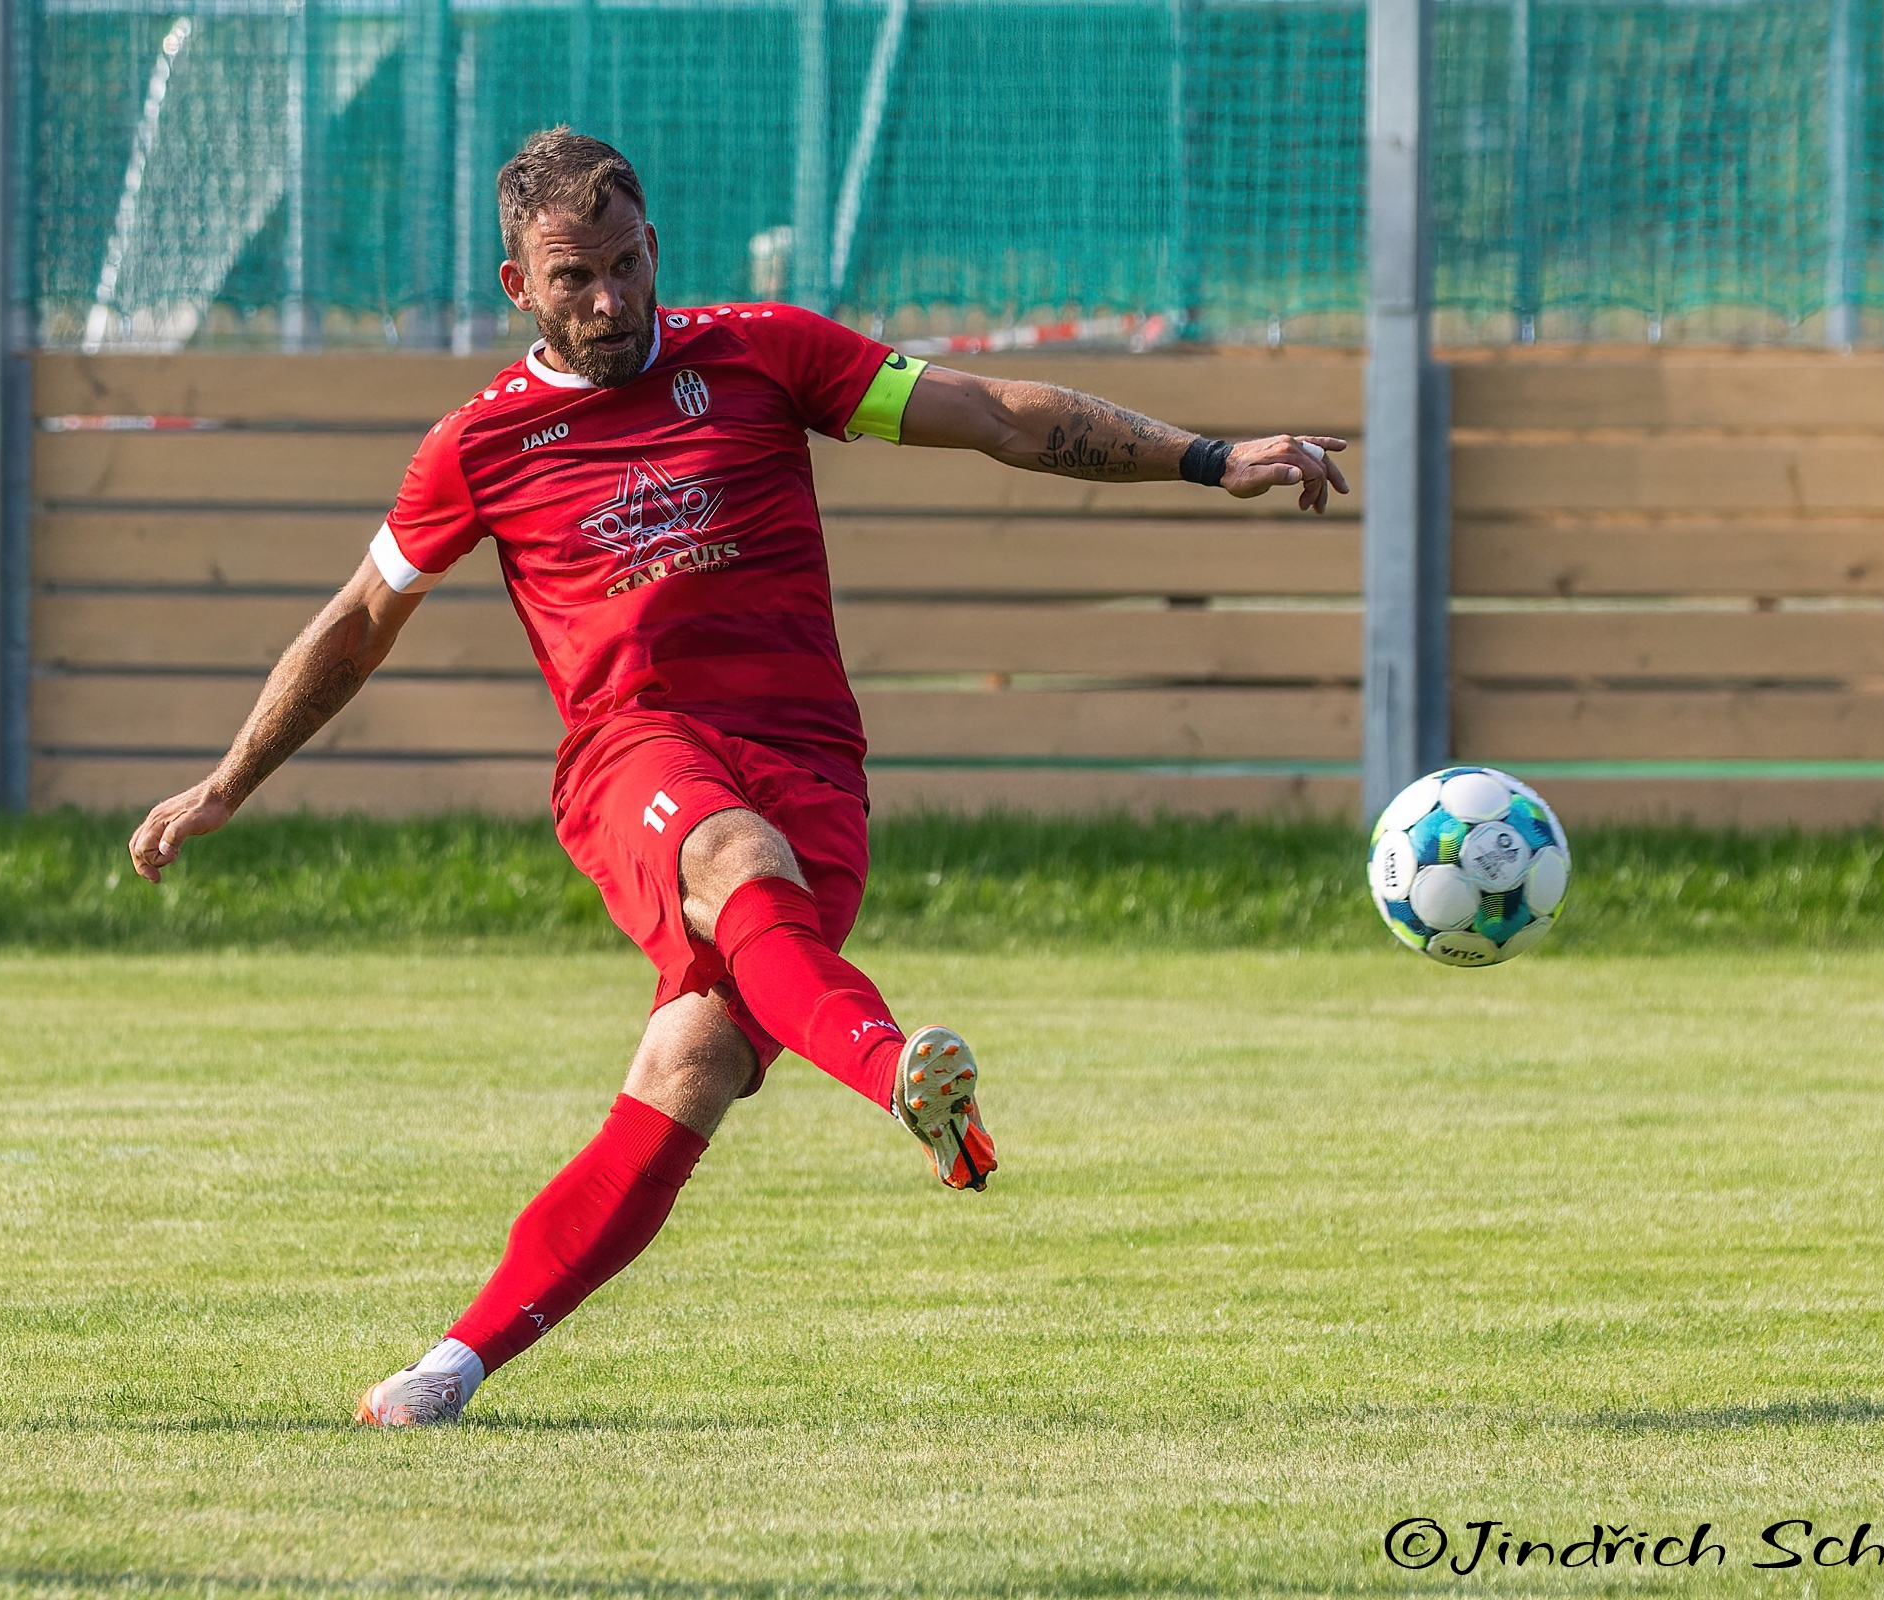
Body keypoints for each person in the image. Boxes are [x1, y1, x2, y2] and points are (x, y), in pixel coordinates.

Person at [126, 127, 1348, 1427]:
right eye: (572, 278)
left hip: (815, 769)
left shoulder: (765, 352)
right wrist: (229, 781)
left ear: (654, 247)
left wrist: (1212, 457)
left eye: (624, 265)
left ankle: (444, 1373)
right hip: (637, 755)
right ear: (518, 286)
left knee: (686, 1072)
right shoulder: (479, 445)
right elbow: (359, 623)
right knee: (730, 854)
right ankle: (895, 1072)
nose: (608, 301)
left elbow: (997, 416)